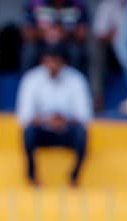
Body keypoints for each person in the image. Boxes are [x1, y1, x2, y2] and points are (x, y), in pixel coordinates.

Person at [15, 42, 92, 187]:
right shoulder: (31, 79)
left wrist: (64, 121)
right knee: (28, 133)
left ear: (63, 61)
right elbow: (24, 116)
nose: (52, 65)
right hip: (42, 131)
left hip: (67, 130)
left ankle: (74, 178)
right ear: (42, 61)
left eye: (55, 60)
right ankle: (31, 175)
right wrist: (48, 121)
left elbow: (85, 115)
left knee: (82, 134)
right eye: (48, 60)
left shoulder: (76, 79)